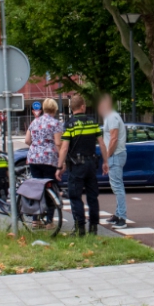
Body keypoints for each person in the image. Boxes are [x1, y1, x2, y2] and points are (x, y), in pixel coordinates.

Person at [56, 94, 105, 236]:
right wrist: (106, 162)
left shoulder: (69, 124)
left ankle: (80, 228)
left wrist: (59, 167)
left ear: (72, 109)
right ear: (83, 106)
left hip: (76, 166)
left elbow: (64, 148)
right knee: (92, 196)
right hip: (91, 164)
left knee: (75, 196)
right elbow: (101, 143)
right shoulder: (93, 122)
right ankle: (94, 227)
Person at [24, 98, 63, 226]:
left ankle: (35, 220)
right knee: (50, 187)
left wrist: (37, 145)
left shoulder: (34, 122)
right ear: (55, 109)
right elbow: (58, 143)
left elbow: (27, 140)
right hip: (49, 158)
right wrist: (62, 161)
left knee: (37, 188)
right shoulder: (55, 123)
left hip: (33, 158)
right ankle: (49, 221)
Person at [98, 94, 127, 229]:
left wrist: (107, 156)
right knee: (116, 185)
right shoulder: (110, 117)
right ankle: (117, 214)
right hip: (116, 154)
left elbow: (114, 139)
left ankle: (122, 217)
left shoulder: (112, 117)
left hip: (115, 154)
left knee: (117, 186)